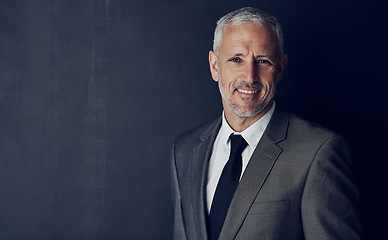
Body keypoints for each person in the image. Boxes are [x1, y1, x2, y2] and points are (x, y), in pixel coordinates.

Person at [171, 7, 363, 240]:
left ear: (280, 68)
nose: (249, 76)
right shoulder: (185, 151)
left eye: (263, 61)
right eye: (236, 59)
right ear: (214, 66)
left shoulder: (319, 153)